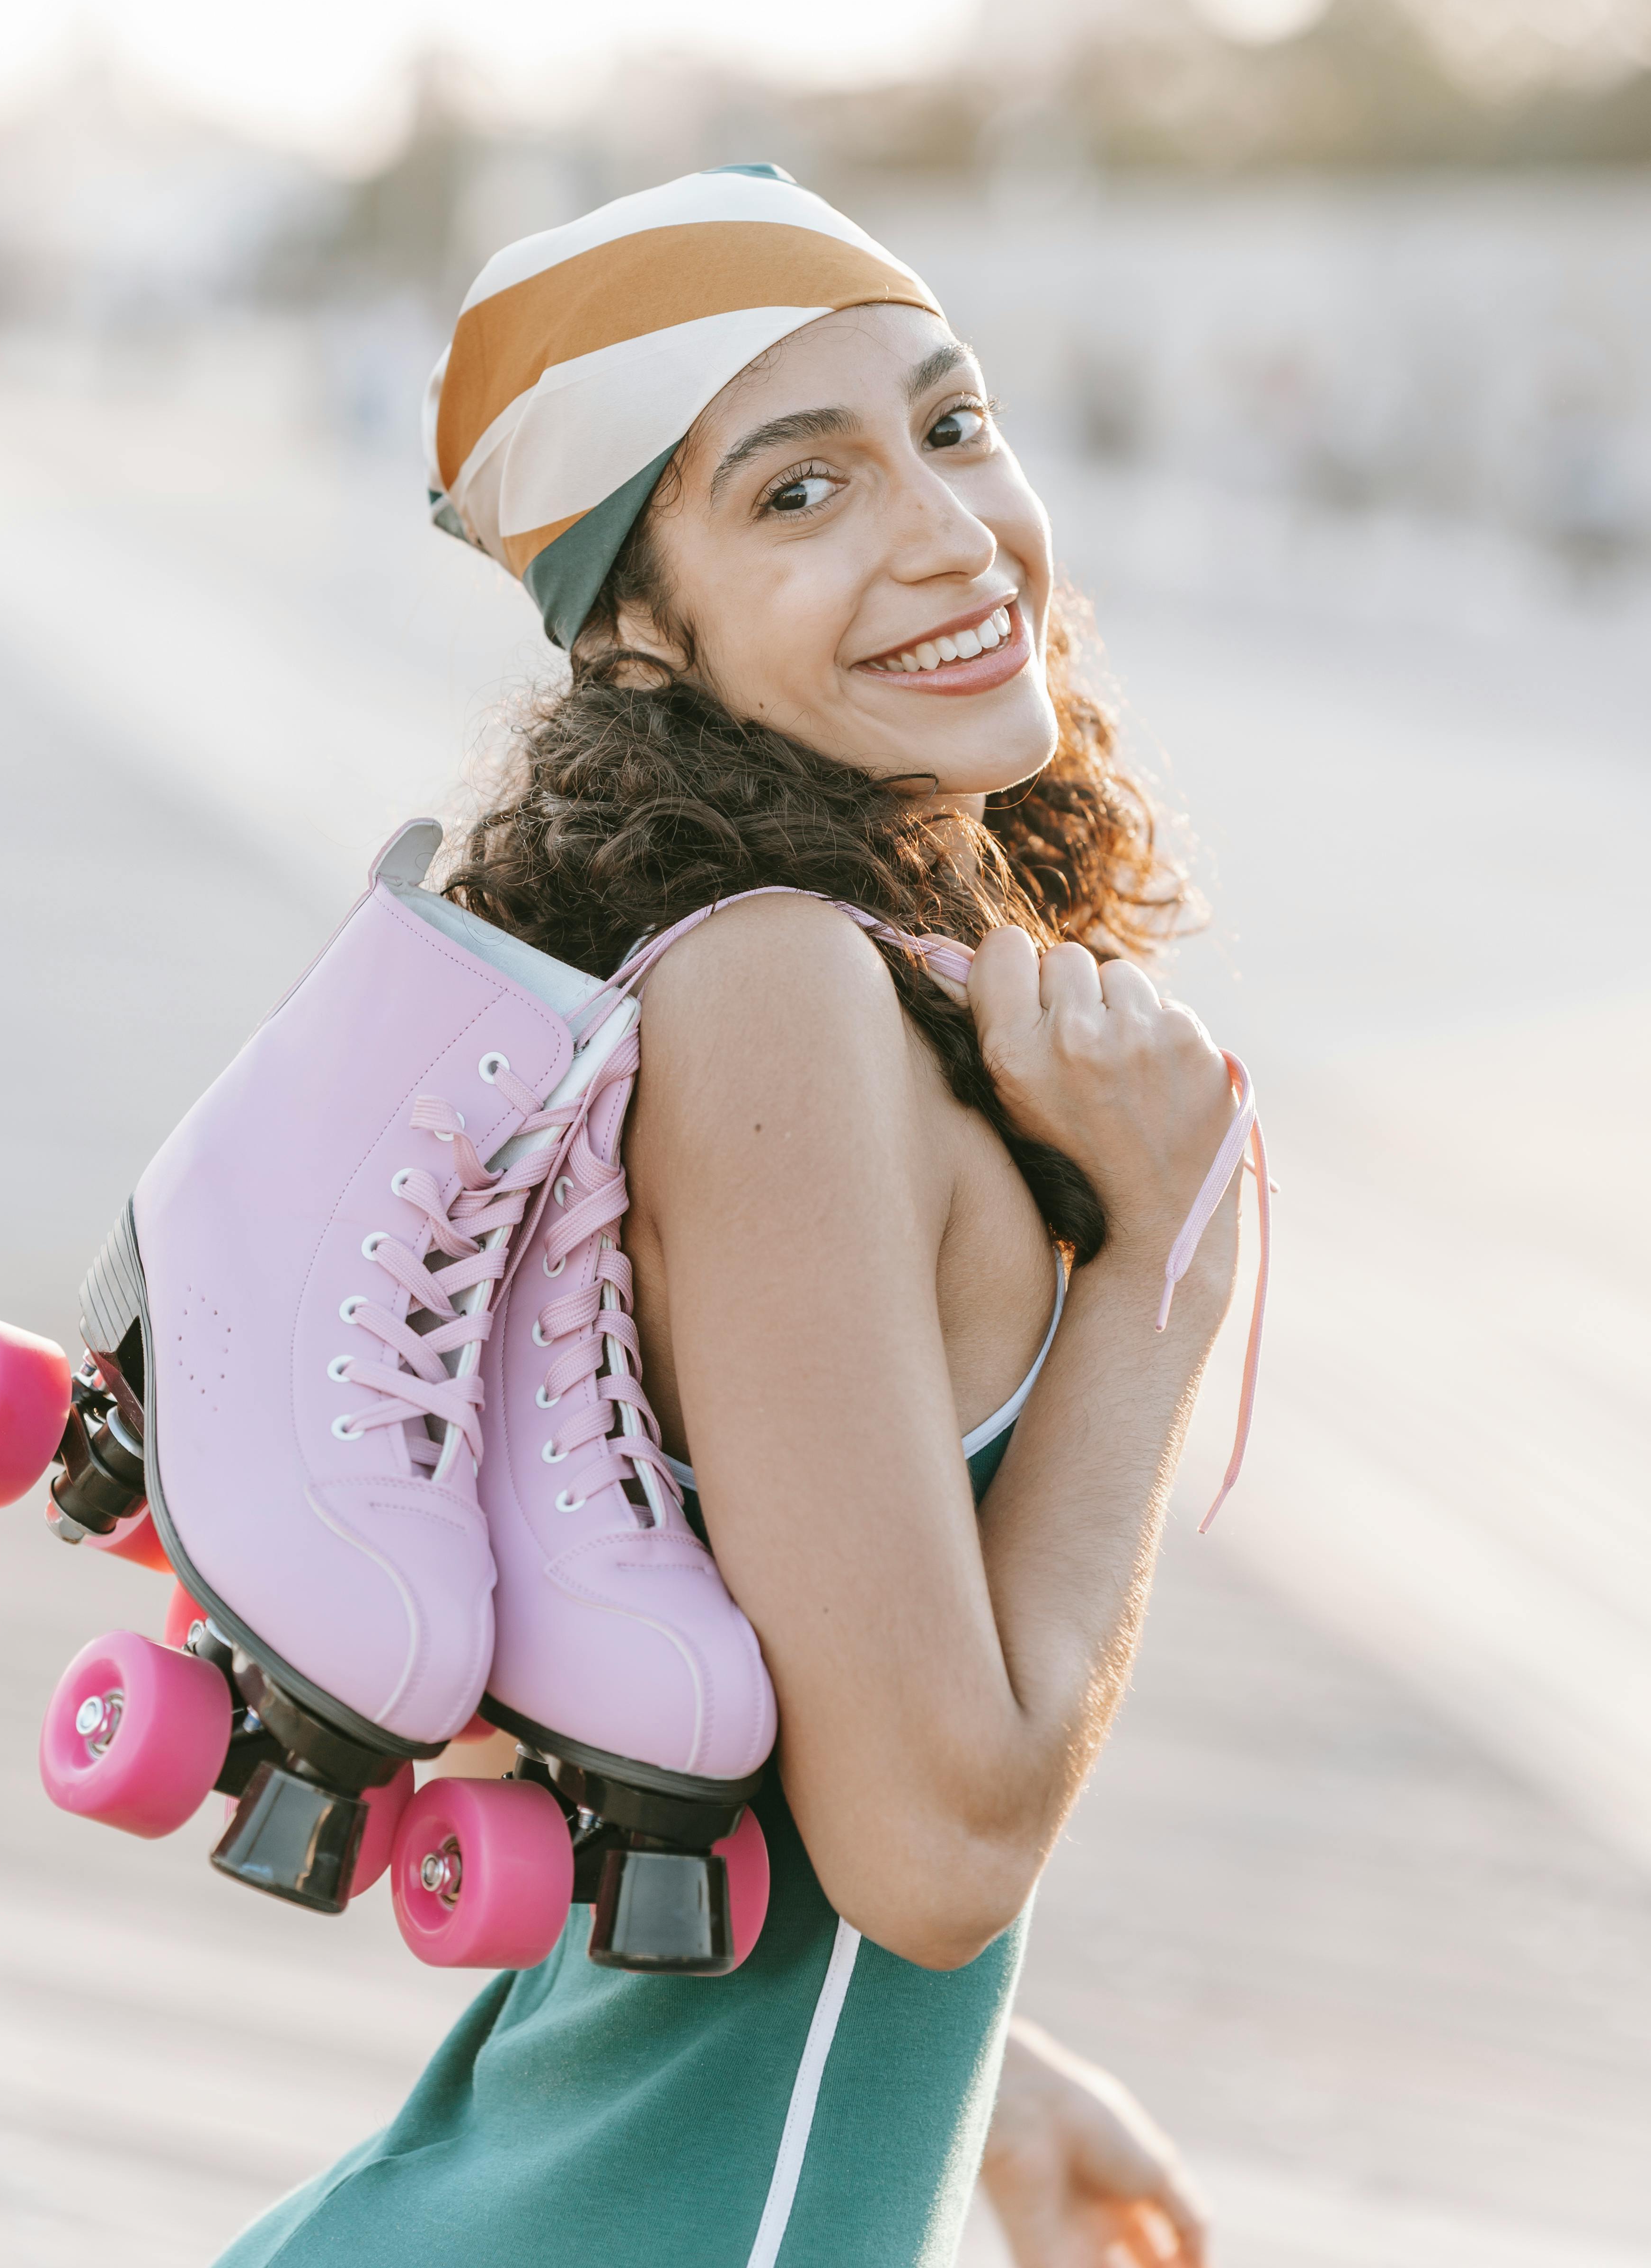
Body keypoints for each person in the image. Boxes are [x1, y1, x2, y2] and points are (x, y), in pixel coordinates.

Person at [219, 167, 1244, 2268]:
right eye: (800, 492)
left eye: (951, 424)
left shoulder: (826, 975)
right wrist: (1163, 1262)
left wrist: (972, 2077)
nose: (949, 532)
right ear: (636, 631)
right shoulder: (776, 990)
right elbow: (934, 1851)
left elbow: (762, 1735)